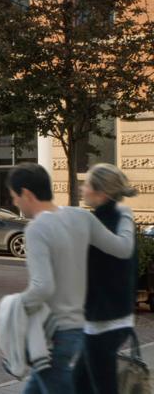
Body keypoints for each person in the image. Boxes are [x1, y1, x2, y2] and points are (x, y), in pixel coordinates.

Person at [7, 163, 133, 394]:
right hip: (76, 328)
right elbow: (122, 248)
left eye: (15, 197)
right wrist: (126, 216)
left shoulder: (36, 228)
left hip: (55, 333)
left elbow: (42, 287)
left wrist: (13, 306)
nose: (15, 202)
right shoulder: (80, 216)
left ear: (26, 193)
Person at [72, 163, 138, 394]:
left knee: (100, 387)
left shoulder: (100, 223)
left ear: (101, 192)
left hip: (102, 323)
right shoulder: (120, 219)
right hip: (114, 319)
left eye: (88, 183)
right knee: (80, 383)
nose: (83, 187)